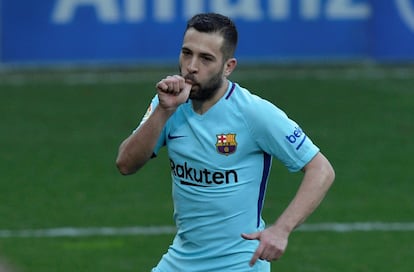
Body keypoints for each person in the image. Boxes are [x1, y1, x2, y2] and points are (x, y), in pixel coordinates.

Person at [116, 12, 335, 272]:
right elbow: (126, 164)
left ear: (228, 66)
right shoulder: (168, 103)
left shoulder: (253, 113)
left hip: (239, 264)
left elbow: (321, 169)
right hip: (182, 260)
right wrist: (163, 111)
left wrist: (281, 230)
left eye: (206, 58)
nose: (191, 67)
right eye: (187, 53)